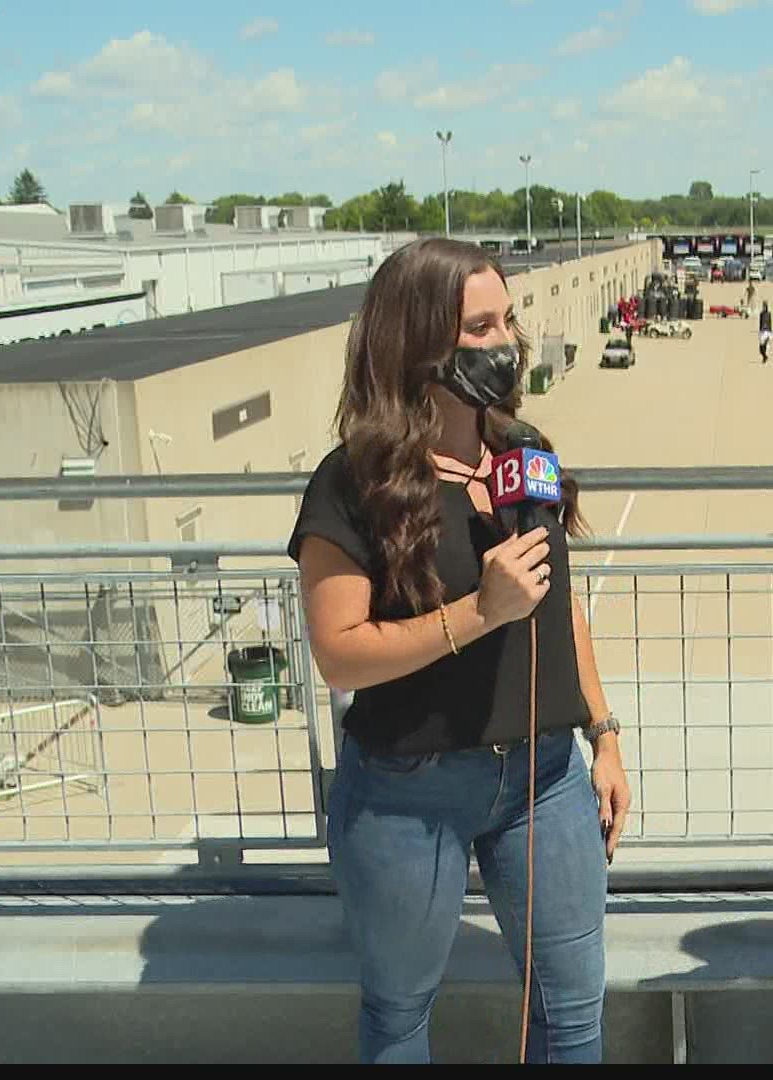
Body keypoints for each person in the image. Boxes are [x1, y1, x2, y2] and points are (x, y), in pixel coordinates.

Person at [290, 237, 633, 1064]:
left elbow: (562, 608)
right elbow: (339, 654)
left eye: (506, 320)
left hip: (545, 780)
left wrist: (605, 734)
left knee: (574, 1014)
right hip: (410, 793)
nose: (504, 343)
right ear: (417, 343)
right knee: (401, 1015)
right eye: (480, 327)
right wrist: (479, 611)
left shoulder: (527, 453)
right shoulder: (354, 482)